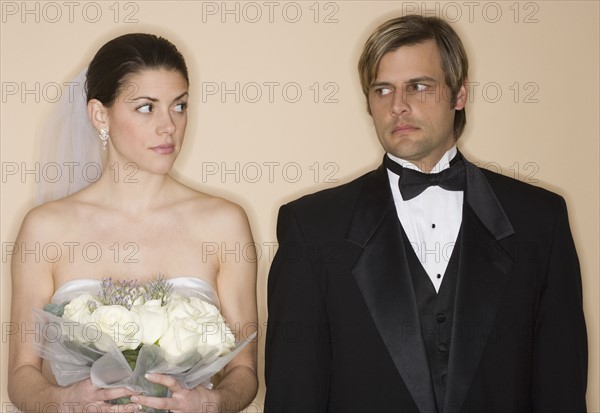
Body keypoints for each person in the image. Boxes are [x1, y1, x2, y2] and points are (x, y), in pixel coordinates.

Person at [264, 15, 587, 412]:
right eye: (383, 90)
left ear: (460, 94)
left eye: (419, 86)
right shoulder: (311, 227)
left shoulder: (541, 220)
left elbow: (562, 392)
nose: (398, 105)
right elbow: (293, 398)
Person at [8, 33, 258, 412]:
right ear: (99, 114)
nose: (168, 126)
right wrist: (64, 401)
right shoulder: (46, 229)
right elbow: (21, 375)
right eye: (146, 107)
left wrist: (212, 402)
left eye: (180, 106)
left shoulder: (223, 224)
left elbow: (245, 370)